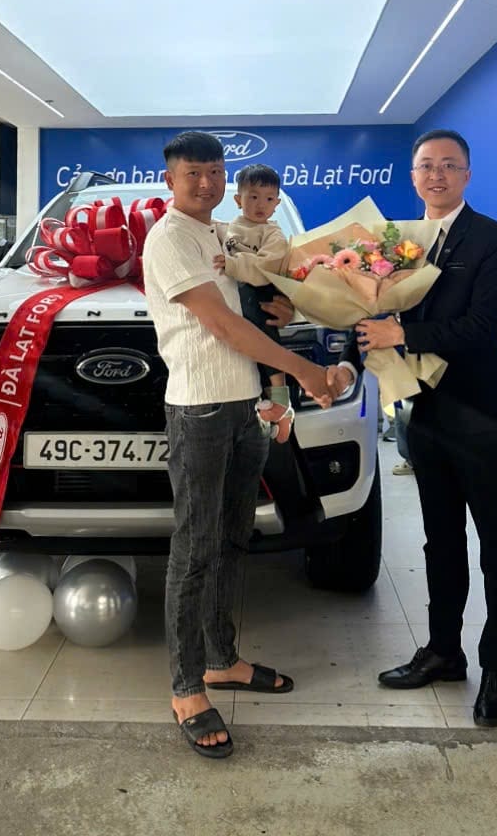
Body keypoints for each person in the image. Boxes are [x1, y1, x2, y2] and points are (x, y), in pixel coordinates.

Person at [142, 131, 334, 759]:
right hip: (199, 410)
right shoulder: (170, 238)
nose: (206, 183)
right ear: (171, 180)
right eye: (192, 173)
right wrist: (303, 370)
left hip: (244, 406)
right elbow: (222, 324)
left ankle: (221, 659)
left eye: (215, 172)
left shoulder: (222, 234)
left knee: (231, 539)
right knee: (195, 548)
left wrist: (288, 312)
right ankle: (186, 688)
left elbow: (253, 300)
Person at [328, 129, 497, 728]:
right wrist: (346, 356)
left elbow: (482, 326)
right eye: (425, 166)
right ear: (412, 176)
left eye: (448, 165)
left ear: (467, 175)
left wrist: (403, 334)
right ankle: (444, 652)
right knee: (440, 541)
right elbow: (370, 312)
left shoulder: (493, 238)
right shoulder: (396, 242)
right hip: (424, 411)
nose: (436, 175)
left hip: (479, 410)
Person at [222, 163, 293, 443]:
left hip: (261, 295)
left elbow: (265, 269)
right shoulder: (227, 229)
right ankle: (276, 412)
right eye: (253, 196)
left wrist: (231, 265)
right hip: (234, 304)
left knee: (265, 340)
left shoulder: (273, 234)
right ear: (238, 199)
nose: (260, 204)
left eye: (268, 198)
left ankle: (281, 398)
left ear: (276, 203)